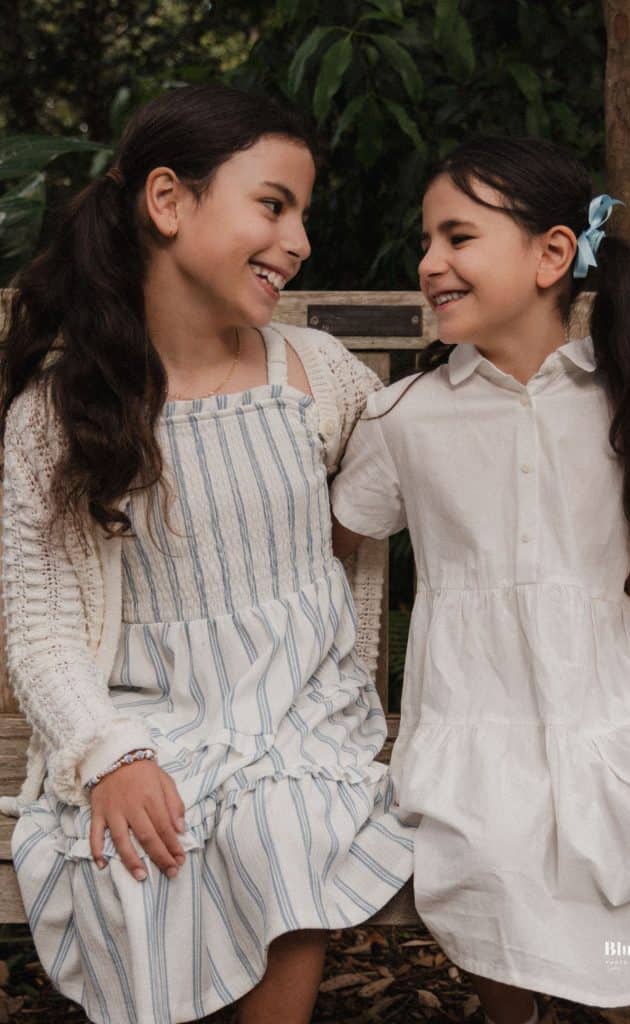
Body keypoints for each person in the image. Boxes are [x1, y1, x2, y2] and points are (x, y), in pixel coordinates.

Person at [0, 84, 414, 1024]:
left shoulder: (315, 374)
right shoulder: (59, 415)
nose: (299, 240)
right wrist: (109, 755)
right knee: (138, 848)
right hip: (146, 713)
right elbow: (42, 626)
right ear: (167, 200)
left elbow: (420, 466)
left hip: (299, 711)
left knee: (282, 826)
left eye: (301, 214)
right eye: (273, 205)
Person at [330, 136, 630, 1024]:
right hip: (474, 718)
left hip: (616, 703)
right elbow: (326, 546)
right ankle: (516, 1014)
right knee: (488, 855)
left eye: (456, 237)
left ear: (552, 254)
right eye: (426, 241)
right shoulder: (403, 417)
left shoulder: (622, 399)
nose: (428, 262)